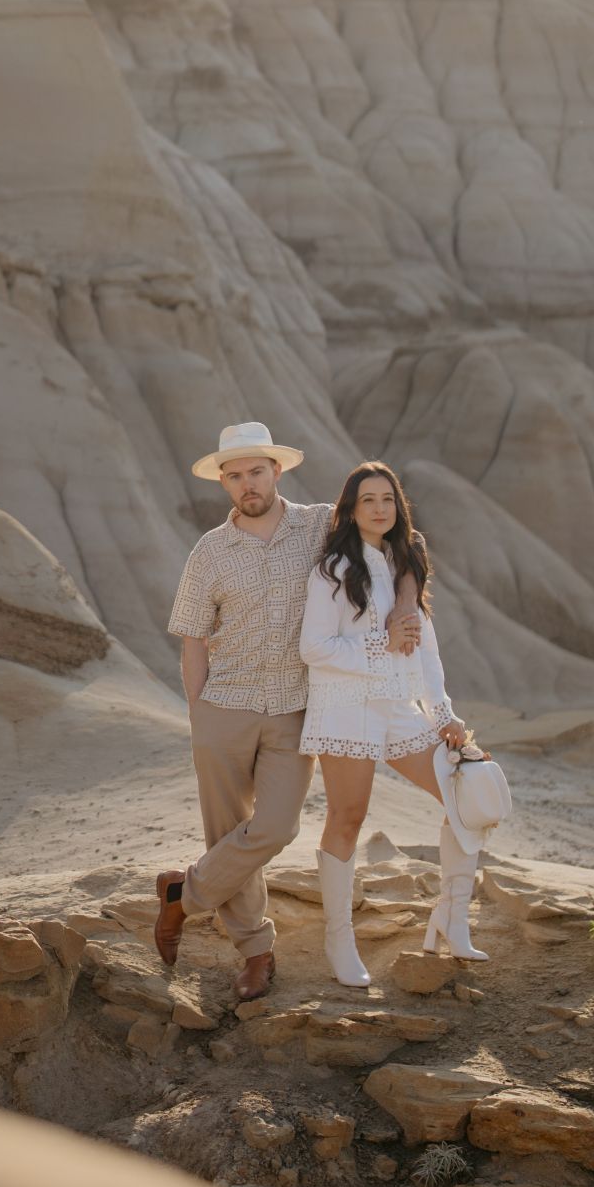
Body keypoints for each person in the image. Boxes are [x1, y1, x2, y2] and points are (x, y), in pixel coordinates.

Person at [155, 422, 419, 1002]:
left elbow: (397, 549)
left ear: (277, 471)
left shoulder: (324, 526)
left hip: (298, 708)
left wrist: (405, 606)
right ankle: (256, 951)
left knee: (276, 827)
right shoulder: (209, 551)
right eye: (234, 475)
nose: (246, 484)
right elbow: (193, 638)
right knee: (227, 832)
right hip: (224, 703)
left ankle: (182, 895)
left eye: (256, 471)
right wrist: (199, 715)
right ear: (223, 483)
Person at [300, 460, 485, 988]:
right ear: (351, 511)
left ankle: (451, 919)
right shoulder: (332, 570)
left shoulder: (406, 563)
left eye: (387, 499)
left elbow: (424, 648)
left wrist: (444, 713)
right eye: (368, 501)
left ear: (398, 507)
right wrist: (381, 643)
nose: (379, 509)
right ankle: (340, 941)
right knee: (348, 817)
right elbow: (313, 647)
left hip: (402, 709)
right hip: (347, 706)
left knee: (465, 797)